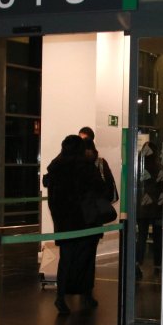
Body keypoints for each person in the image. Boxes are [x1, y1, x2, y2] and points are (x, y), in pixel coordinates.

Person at [44, 134, 109, 314]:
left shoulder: (56, 167)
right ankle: (86, 294)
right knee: (86, 260)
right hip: (86, 222)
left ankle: (60, 297)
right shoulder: (86, 168)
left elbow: (53, 197)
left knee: (66, 260)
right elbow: (102, 190)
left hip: (64, 223)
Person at [135, 142, 163, 278]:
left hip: (143, 208)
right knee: (158, 238)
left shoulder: (138, 169)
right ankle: (158, 264)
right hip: (157, 209)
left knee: (141, 236)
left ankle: (137, 263)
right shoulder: (160, 169)